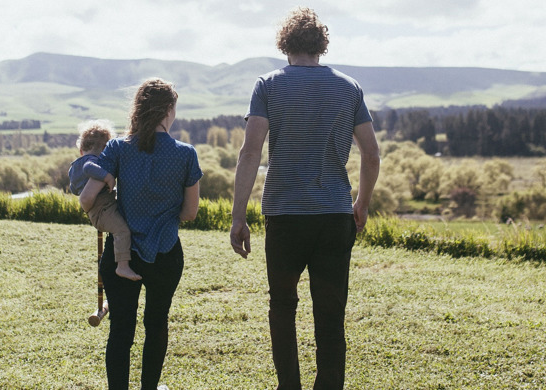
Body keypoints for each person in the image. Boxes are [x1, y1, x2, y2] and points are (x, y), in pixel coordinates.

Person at [230, 7, 380, 390]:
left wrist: (238, 217)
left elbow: (250, 153)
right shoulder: (349, 87)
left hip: (284, 215)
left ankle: (289, 387)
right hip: (334, 214)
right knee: (331, 313)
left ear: (285, 45)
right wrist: (361, 203)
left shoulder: (268, 85)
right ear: (321, 46)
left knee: (282, 306)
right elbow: (371, 153)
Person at [79, 78, 202, 390]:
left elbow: (87, 197)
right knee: (156, 323)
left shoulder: (118, 148)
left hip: (123, 253)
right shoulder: (186, 155)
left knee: (121, 328)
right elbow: (189, 213)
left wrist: (111, 200)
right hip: (165, 253)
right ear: (169, 111)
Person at [69, 119, 141, 281]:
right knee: (122, 230)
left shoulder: (73, 167)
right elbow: (89, 167)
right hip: (102, 209)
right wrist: (108, 176)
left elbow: (74, 189)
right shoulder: (93, 162)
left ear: (81, 149)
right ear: (105, 148)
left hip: (96, 211)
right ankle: (123, 266)